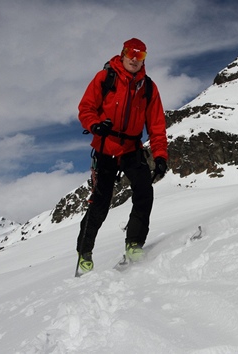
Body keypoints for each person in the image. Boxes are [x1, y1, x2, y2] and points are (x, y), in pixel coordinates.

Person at [76, 38, 168, 274]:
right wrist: (95, 125)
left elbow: (156, 125)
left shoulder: (148, 87)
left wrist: (160, 156)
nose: (135, 59)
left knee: (144, 190)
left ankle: (134, 244)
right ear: (123, 53)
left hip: (131, 149)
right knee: (101, 202)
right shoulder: (105, 78)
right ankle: (84, 255)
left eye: (141, 56)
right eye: (131, 54)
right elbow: (86, 108)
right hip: (106, 147)